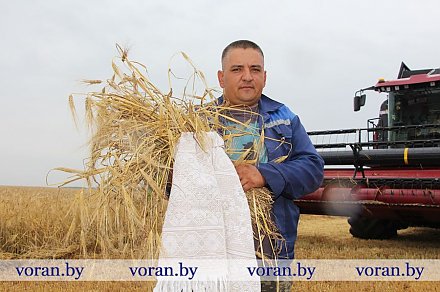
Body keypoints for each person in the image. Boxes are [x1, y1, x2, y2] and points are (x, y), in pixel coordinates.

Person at [217, 40, 324, 291]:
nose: (247, 77)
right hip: (215, 253)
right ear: (221, 78)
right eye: (237, 70)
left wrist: (263, 174)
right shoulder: (200, 123)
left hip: (271, 254)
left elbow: (313, 169)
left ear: (264, 77)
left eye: (255, 69)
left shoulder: (284, 117)